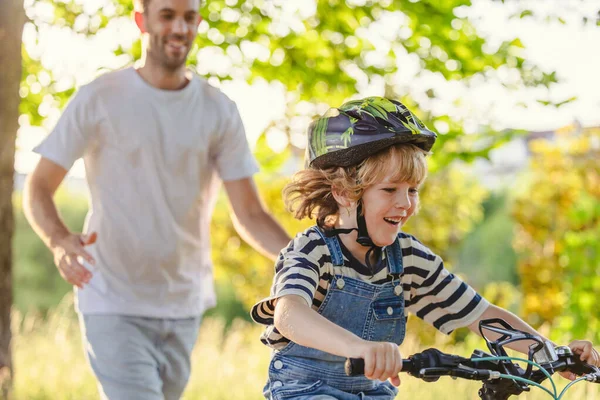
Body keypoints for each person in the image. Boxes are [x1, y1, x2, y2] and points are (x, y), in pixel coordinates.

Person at [22, 0, 290, 399]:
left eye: (189, 17)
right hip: (111, 297)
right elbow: (38, 186)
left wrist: (305, 260)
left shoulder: (219, 110)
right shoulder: (99, 97)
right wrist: (59, 240)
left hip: (183, 303)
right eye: (167, 15)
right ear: (140, 20)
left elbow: (249, 212)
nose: (180, 27)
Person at [250, 96, 599, 399]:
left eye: (412, 190)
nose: (406, 204)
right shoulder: (312, 250)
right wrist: (359, 348)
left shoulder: (408, 258)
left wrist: (553, 353)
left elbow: (481, 315)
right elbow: (290, 314)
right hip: (305, 392)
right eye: (389, 191)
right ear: (343, 193)